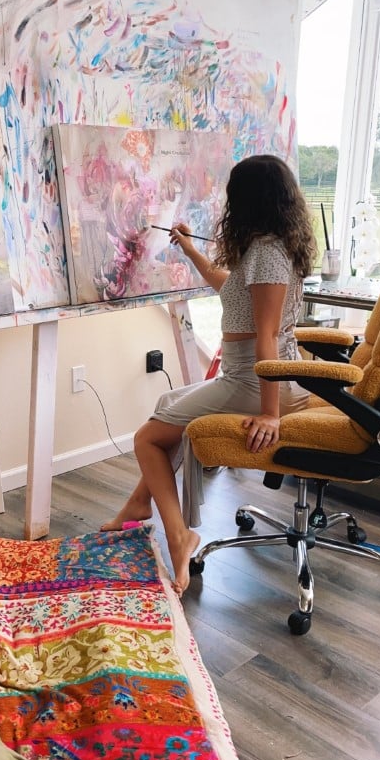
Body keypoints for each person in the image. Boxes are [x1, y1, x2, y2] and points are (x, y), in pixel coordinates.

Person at [102, 154, 316, 596]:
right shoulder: (266, 249)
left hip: (256, 382)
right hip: (251, 376)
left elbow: (268, 336)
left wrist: (271, 413)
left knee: (146, 438)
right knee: (166, 406)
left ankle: (180, 536)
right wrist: (190, 248)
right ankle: (140, 502)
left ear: (248, 200)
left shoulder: (268, 255)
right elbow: (230, 289)